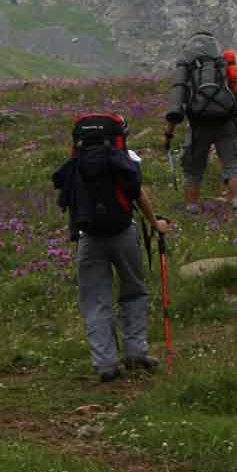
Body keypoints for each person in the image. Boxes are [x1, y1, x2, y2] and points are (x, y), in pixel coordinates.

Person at [52, 114, 173, 383]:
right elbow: (137, 194)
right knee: (133, 290)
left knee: (95, 301)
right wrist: (156, 224)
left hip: (89, 237)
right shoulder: (124, 158)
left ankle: (105, 364)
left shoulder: (76, 164)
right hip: (123, 232)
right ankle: (135, 353)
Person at [163, 32, 237, 215]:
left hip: (198, 125)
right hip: (227, 121)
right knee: (233, 165)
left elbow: (177, 104)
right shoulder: (225, 64)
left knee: (193, 171)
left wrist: (169, 134)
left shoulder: (188, 68)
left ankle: (191, 211)